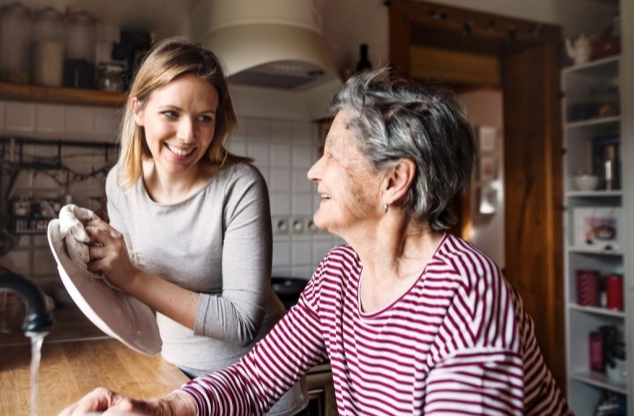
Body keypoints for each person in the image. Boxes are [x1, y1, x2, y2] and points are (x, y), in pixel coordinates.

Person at [60, 67, 573, 415]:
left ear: (393, 181)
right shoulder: (340, 276)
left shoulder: (466, 296)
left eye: (330, 154)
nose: (312, 171)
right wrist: (161, 409)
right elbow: (253, 378)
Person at [76, 37, 307, 415]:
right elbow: (134, 298)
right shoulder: (121, 183)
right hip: (176, 376)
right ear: (138, 109)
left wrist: (129, 276)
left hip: (257, 389)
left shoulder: (240, 185)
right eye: (171, 113)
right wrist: (94, 268)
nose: (188, 135)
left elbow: (241, 322)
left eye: (204, 118)